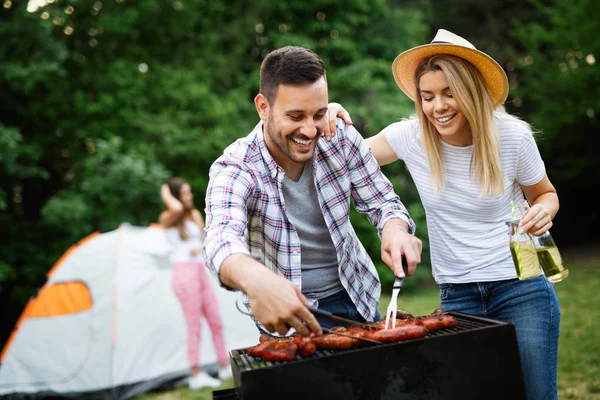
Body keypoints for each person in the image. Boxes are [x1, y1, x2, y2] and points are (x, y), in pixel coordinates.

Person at [327, 29, 560, 400]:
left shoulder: (512, 137)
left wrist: (544, 212)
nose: (438, 107)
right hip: (457, 295)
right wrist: (331, 115)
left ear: (470, 91)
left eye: (449, 93)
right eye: (428, 96)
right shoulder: (411, 136)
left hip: (522, 287)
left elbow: (545, 194)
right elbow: (345, 157)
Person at [202, 46, 422, 338]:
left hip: (359, 299)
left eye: (318, 113)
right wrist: (257, 281)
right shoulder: (237, 167)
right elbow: (220, 238)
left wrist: (396, 229)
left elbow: (384, 203)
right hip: (291, 320)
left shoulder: (339, 138)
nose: (309, 130)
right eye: (295, 116)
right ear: (263, 107)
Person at [159, 178, 232, 390]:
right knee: (194, 325)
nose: (189, 197)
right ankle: (195, 374)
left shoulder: (194, 215)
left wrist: (199, 245)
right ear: (174, 198)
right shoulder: (168, 217)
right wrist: (165, 192)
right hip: (183, 274)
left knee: (215, 319)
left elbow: (205, 240)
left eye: (189, 192)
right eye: (184, 193)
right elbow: (178, 208)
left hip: (200, 272)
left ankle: (224, 365)